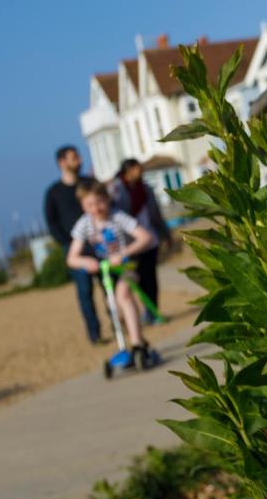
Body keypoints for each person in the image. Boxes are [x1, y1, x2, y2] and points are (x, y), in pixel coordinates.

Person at [66, 181, 155, 356]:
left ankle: (137, 345)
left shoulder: (118, 217)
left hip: (128, 265)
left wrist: (123, 253)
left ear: (107, 199)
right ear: (83, 205)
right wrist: (86, 262)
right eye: (89, 205)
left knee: (124, 295)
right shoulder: (84, 224)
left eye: (100, 202)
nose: (96, 208)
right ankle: (137, 339)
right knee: (114, 306)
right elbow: (72, 258)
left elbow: (145, 237)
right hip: (106, 271)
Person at [44, 145, 101, 343]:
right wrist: (67, 244)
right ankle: (94, 334)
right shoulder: (53, 193)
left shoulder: (90, 184)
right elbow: (51, 222)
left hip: (99, 243)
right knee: (85, 292)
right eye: (74, 157)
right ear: (62, 162)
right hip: (75, 249)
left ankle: (121, 324)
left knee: (111, 284)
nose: (79, 160)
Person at [108, 159, 171, 324]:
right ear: (127, 171)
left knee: (151, 279)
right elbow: (113, 215)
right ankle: (137, 314)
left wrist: (165, 234)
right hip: (131, 245)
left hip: (150, 240)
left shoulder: (146, 189)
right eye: (136, 169)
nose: (139, 171)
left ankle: (153, 312)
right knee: (136, 280)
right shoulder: (116, 191)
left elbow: (156, 214)